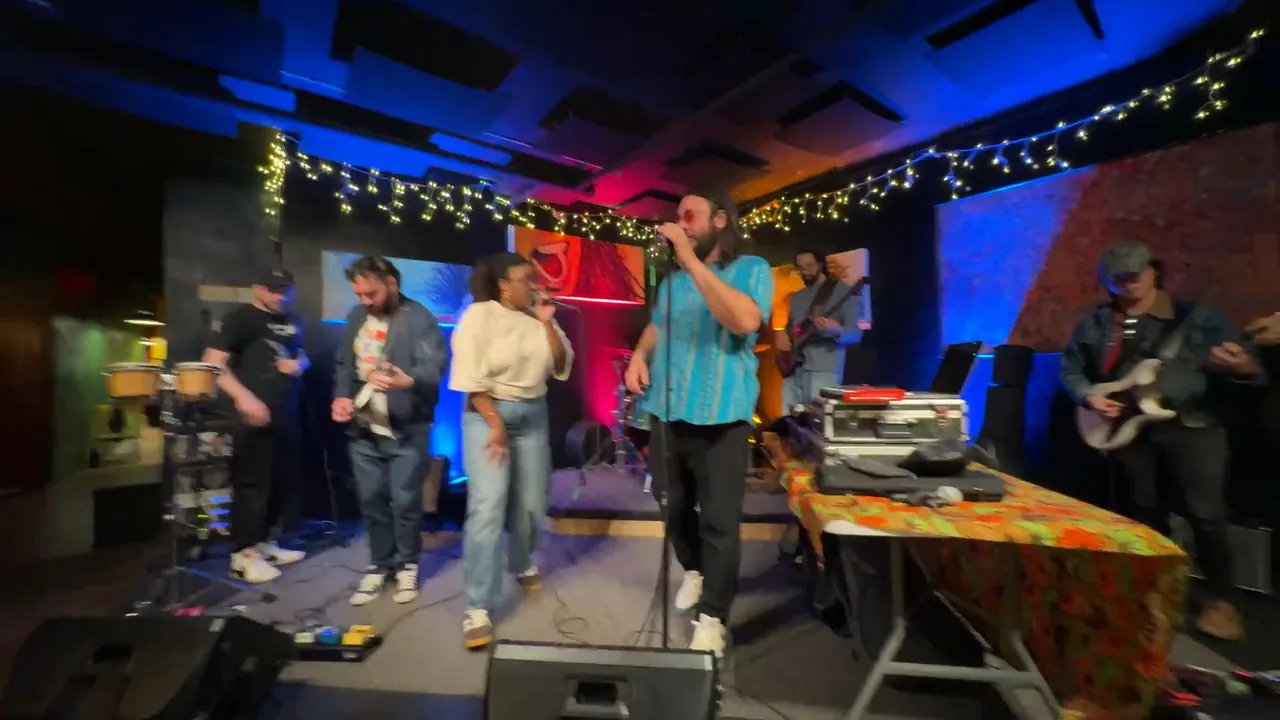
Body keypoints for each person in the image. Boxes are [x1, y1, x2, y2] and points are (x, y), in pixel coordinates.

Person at [1059, 241, 1265, 641]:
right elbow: (1071, 370)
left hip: (1193, 424)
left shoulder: (1198, 320)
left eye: (1137, 272)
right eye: (1120, 276)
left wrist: (1244, 367)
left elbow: (1252, 373)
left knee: (1206, 514)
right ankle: (1154, 595)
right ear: (1106, 280)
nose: (1129, 281)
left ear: (1155, 270)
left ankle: (1221, 602)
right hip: (1128, 429)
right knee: (1143, 511)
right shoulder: (1096, 323)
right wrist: (1089, 396)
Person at [623, 189, 773, 656]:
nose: (681, 224)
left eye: (690, 216)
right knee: (671, 505)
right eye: (678, 217)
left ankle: (712, 617)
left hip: (722, 414)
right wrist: (639, 354)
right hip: (668, 411)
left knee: (719, 521)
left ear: (720, 220)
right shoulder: (672, 283)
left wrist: (689, 259)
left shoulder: (752, 269)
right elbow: (658, 326)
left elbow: (744, 321)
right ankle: (695, 568)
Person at [449, 252, 573, 650]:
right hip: (487, 413)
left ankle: (521, 561)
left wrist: (548, 322)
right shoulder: (479, 316)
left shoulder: (537, 317)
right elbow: (470, 376)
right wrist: (494, 422)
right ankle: (477, 606)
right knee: (488, 505)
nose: (534, 286)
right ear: (504, 285)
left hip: (533, 414)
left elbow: (561, 365)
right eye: (526, 279)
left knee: (533, 502)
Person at [331, 256, 447, 606]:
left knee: (406, 500)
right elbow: (345, 364)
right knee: (371, 499)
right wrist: (341, 397)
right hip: (364, 428)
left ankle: (407, 565)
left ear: (392, 284)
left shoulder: (420, 318)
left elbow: (433, 370)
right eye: (359, 294)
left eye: (372, 293)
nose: (365, 300)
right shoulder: (357, 317)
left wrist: (406, 382)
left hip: (407, 427)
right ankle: (380, 564)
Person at [203, 267, 309, 584]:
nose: (281, 296)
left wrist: (299, 364)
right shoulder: (241, 318)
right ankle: (242, 555)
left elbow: (302, 354)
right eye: (274, 290)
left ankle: (264, 544)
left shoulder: (293, 320)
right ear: (257, 288)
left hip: (286, 411)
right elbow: (212, 363)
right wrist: (244, 399)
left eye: (286, 290)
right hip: (252, 413)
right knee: (252, 484)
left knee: (281, 481)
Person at [776, 248, 864, 410]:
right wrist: (782, 335)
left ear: (820, 264)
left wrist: (836, 330)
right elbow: (794, 330)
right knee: (788, 420)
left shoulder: (843, 291)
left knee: (819, 421)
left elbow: (856, 334)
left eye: (809, 266)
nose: (805, 272)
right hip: (794, 370)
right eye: (800, 268)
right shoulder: (796, 297)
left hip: (824, 371)